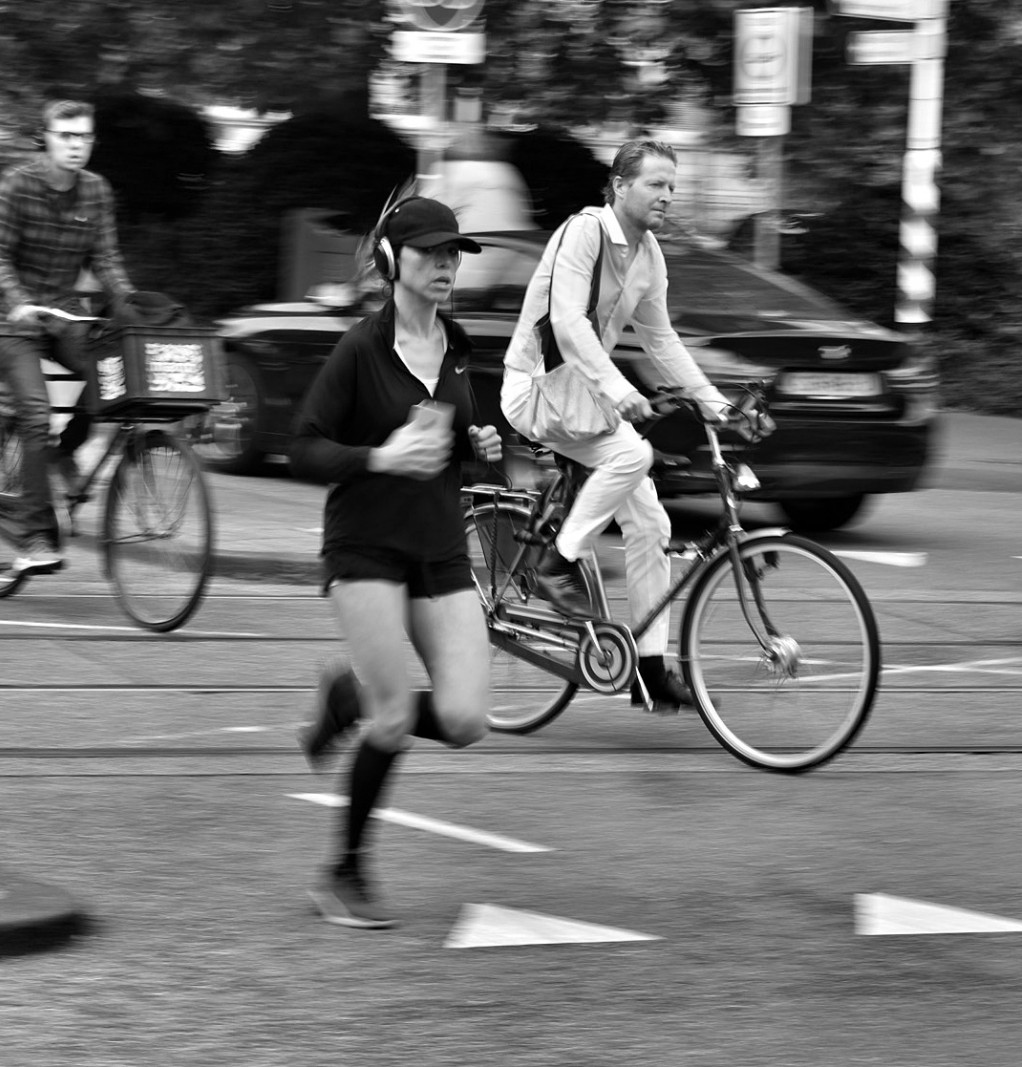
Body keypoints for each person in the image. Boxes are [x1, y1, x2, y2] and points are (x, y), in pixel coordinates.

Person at [289, 195, 502, 930]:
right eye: (432, 253)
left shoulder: (459, 342)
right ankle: (342, 873)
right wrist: (378, 455)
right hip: (367, 548)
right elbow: (305, 444)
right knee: (393, 719)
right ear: (393, 261)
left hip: (439, 546)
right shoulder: (361, 349)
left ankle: (348, 696)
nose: (446, 265)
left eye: (453, 254)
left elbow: (456, 425)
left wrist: (481, 442)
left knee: (467, 717)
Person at [500, 138, 726, 712]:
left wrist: (713, 402)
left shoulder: (650, 256)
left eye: (672, 186)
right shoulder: (585, 232)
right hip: (537, 390)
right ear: (620, 185)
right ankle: (560, 561)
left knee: (651, 522)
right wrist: (622, 391)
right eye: (656, 184)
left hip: (585, 402)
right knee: (634, 457)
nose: (667, 196)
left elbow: (661, 338)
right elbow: (569, 322)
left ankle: (650, 669)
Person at [0, 99, 137, 573]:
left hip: (63, 314)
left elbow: (105, 259)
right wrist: (16, 297)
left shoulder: (97, 191)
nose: (75, 145)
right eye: (66, 135)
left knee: (113, 377)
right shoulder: (16, 183)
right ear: (45, 138)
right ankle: (34, 539)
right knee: (35, 413)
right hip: (9, 318)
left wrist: (131, 302)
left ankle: (64, 456)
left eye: (83, 136)